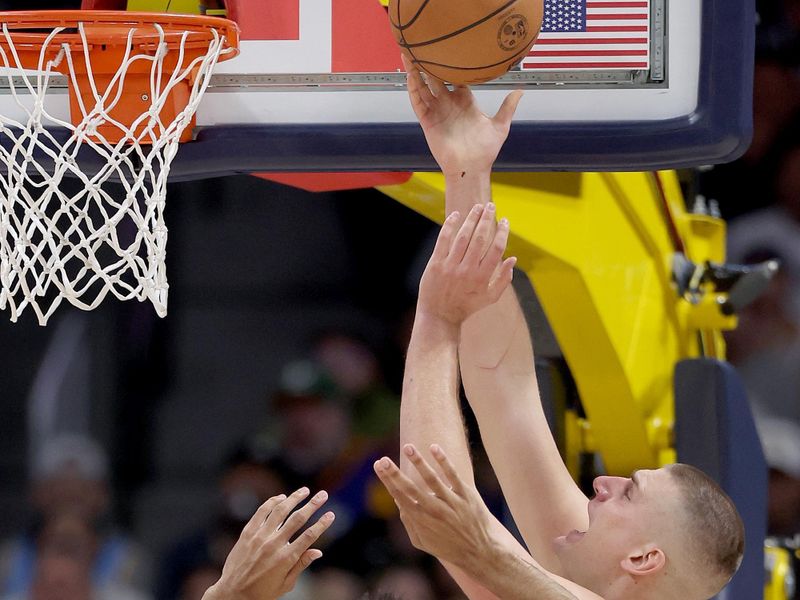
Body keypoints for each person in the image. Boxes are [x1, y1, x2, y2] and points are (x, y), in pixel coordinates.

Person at [373, 55, 745, 600]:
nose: (602, 483)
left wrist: (435, 319)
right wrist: (468, 171)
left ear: (644, 557)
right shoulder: (584, 572)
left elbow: (446, 523)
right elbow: (504, 393)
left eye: (630, 492)